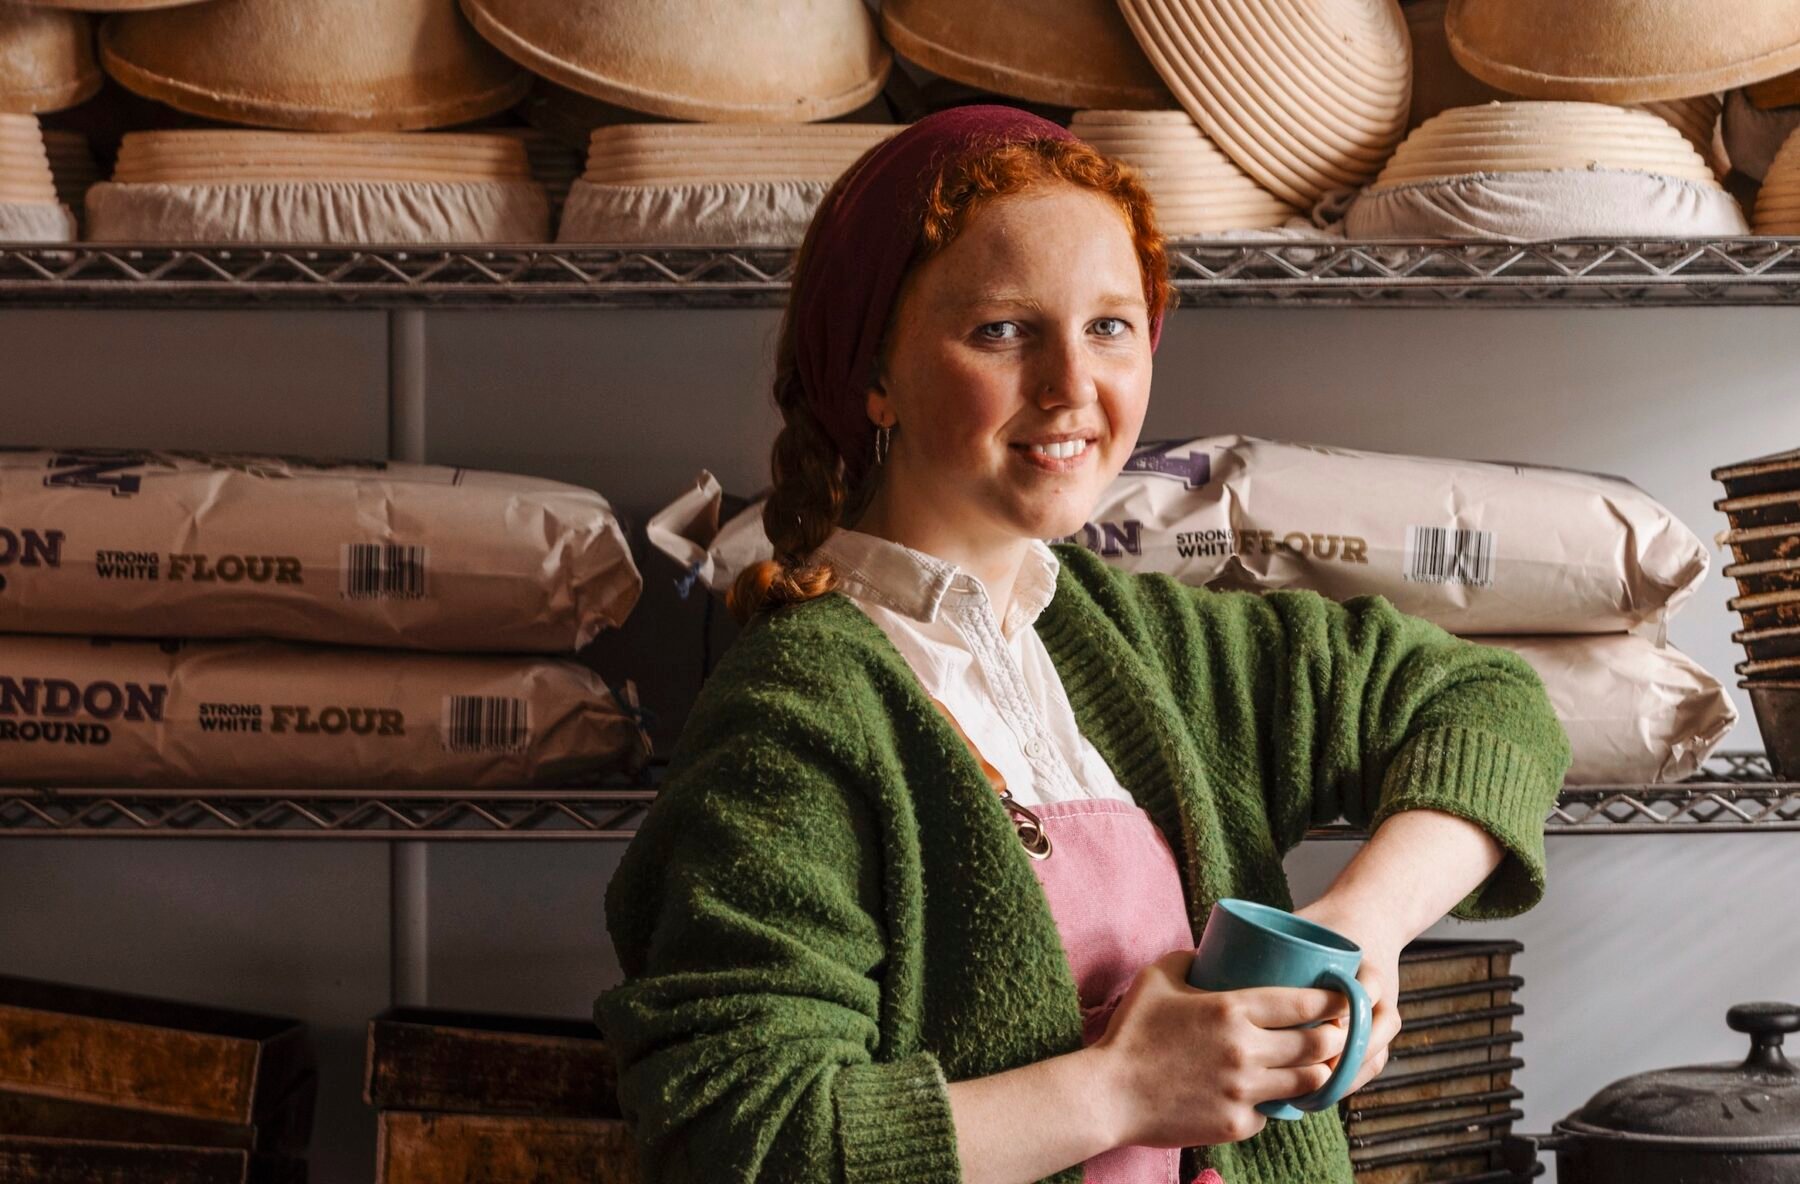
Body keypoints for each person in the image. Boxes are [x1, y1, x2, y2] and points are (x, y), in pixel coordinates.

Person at [597, 106, 1571, 1184]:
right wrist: (1120, 1087)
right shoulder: (798, 710)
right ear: (874, 374)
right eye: (1005, 330)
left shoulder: (1137, 642)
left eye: (1110, 325)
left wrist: (1363, 923)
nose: (1073, 386)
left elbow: (1485, 699)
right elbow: (744, 1136)